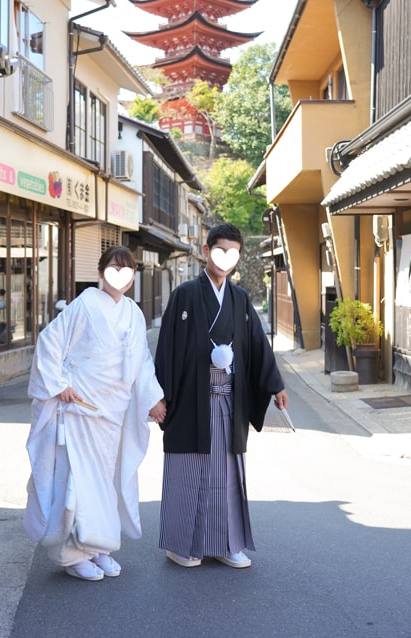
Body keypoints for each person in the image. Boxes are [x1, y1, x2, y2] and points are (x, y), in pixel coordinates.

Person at [23, 245, 166, 582]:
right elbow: (49, 342)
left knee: (105, 483)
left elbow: (142, 361)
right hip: (80, 409)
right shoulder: (83, 305)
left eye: (127, 271)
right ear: (102, 273)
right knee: (77, 482)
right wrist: (58, 384)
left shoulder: (133, 313)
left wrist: (152, 399)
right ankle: (73, 555)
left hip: (112, 413)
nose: (120, 276)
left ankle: (99, 547)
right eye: (114, 269)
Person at [154, 222, 288, 569]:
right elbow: (167, 347)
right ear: (205, 250)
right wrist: (158, 396)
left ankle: (226, 544)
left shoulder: (240, 298)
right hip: (189, 399)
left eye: (232, 252)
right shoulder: (185, 294)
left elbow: (257, 345)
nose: (225, 258)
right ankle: (183, 544)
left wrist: (275, 384)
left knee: (226, 475)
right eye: (220, 250)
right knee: (189, 471)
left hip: (228, 399)